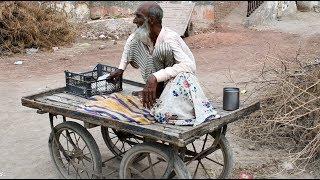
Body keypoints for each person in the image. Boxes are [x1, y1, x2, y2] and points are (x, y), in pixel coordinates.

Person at [108, 2, 219, 126]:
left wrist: (155, 77)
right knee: (135, 41)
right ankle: (156, 92)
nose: (134, 20)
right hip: (157, 78)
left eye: (138, 16)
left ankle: (160, 93)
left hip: (176, 83)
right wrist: (120, 69)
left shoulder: (169, 38)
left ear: (151, 20)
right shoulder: (144, 34)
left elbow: (189, 66)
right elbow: (130, 42)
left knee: (163, 49)